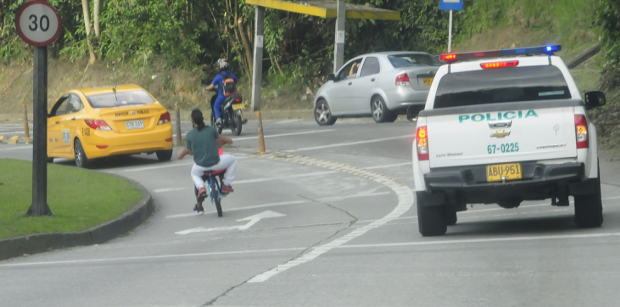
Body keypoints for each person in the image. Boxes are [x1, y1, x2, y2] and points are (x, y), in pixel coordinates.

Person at [178, 109, 237, 213]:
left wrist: (187, 151)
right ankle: (226, 184)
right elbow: (219, 143)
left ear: (192, 121)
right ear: (203, 118)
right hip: (216, 164)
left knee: (194, 174)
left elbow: (191, 152)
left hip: (201, 166)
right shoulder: (211, 129)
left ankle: (201, 189)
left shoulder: (190, 135)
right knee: (233, 159)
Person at [205, 58, 239, 126]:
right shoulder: (231, 74)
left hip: (223, 96)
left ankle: (218, 119)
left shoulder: (219, 76)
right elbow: (236, 81)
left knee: (216, 106)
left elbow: (211, 86)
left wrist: (206, 88)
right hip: (233, 95)